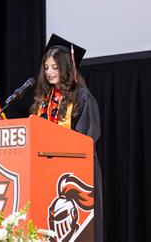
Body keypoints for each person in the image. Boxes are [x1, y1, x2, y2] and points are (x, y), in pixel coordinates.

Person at [31, 34, 103, 242]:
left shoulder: (82, 97)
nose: (50, 72)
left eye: (55, 67)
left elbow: (86, 139)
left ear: (66, 68)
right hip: (48, 173)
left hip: (78, 175)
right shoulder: (44, 101)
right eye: (46, 68)